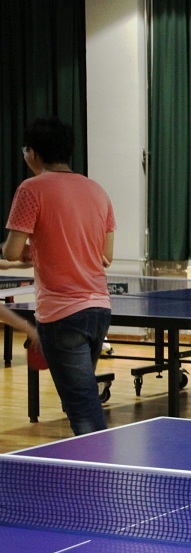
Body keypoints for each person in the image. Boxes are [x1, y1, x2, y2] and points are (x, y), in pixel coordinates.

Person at [3, 116, 115, 435]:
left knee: (81, 406)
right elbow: (106, 256)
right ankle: (87, 458)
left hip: (61, 314)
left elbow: (11, 251)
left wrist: (24, 249)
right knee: (80, 399)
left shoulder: (31, 189)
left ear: (33, 153)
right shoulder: (97, 190)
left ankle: (98, 462)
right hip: (99, 310)